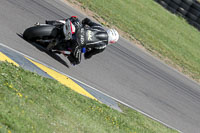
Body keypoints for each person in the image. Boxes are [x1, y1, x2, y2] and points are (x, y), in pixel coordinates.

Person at [46, 16, 119, 65]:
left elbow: (87, 20)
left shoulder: (99, 27)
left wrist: (82, 25)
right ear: (112, 41)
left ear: (108, 31)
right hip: (77, 43)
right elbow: (87, 55)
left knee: (74, 18)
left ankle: (51, 23)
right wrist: (87, 52)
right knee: (76, 61)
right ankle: (57, 48)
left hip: (77, 29)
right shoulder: (102, 47)